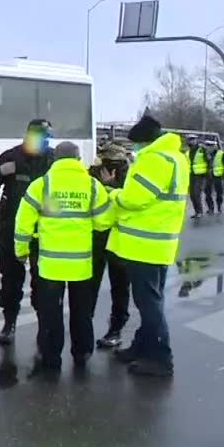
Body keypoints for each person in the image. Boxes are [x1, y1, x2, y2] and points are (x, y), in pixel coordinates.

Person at [14, 141, 114, 375]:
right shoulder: (92, 185)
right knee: (81, 311)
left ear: (54, 160)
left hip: (50, 265)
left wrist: (21, 251)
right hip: (81, 264)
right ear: (79, 160)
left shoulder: (43, 185)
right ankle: (82, 353)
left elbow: (23, 222)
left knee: (50, 313)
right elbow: (103, 222)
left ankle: (51, 358)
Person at [109, 114, 189, 378]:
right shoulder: (175, 157)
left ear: (145, 142)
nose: (134, 149)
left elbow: (135, 199)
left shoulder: (154, 160)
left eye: (136, 145)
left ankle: (160, 358)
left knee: (148, 303)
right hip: (159, 242)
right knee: (151, 300)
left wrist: (113, 193)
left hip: (144, 244)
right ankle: (142, 347)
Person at [0, 119, 54, 346]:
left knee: (43, 283)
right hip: (12, 231)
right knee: (11, 280)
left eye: (46, 137)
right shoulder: (11, 156)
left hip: (42, 233)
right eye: (39, 137)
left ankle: (44, 327)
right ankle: (9, 324)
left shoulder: (53, 160)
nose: (43, 142)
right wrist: (2, 171)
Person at [89, 142, 133, 349]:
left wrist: (112, 187)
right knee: (98, 286)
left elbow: (130, 203)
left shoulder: (130, 176)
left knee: (118, 288)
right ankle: (89, 326)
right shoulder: (94, 173)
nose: (112, 165)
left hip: (116, 238)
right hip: (103, 237)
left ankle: (115, 329)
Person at [186, 135, 209, 218]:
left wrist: (207, 173)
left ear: (196, 140)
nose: (191, 141)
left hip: (200, 175)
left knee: (196, 193)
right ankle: (197, 211)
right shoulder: (188, 152)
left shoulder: (201, 149)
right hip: (191, 174)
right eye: (189, 140)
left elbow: (208, 161)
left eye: (193, 139)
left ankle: (200, 211)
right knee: (192, 194)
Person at [207, 140, 224, 214]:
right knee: (207, 192)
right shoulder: (205, 154)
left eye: (211, 146)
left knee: (219, 192)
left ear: (215, 146)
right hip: (208, 176)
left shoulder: (220, 154)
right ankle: (210, 208)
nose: (210, 147)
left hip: (217, 175)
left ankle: (219, 207)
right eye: (208, 145)